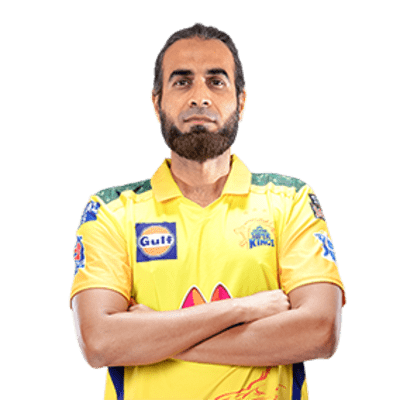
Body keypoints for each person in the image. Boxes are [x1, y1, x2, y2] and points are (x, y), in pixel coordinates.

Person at [69, 22, 346, 400]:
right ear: (156, 102)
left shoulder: (291, 200)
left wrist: (155, 337)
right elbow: (100, 343)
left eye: (216, 82)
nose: (199, 97)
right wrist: (243, 309)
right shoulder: (110, 210)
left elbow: (320, 332)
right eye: (182, 82)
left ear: (241, 102)